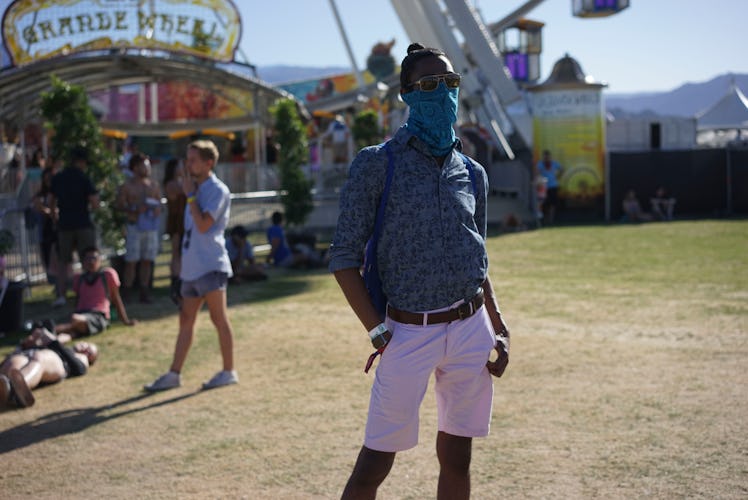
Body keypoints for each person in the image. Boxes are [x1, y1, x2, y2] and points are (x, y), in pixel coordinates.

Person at [328, 43, 510, 499]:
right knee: (374, 464)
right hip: (407, 330)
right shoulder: (377, 163)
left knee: (458, 456)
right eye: (430, 84)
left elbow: (478, 255)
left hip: (471, 329)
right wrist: (376, 330)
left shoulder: (472, 171)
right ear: (407, 94)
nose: (443, 92)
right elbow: (343, 257)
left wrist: (497, 324)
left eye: (450, 83)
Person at [144, 140, 238, 392]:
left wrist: (190, 196)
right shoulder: (192, 189)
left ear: (209, 163)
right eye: (188, 159)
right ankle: (174, 374)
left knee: (219, 319)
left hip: (211, 264)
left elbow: (204, 224)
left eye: (194, 159)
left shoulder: (217, 190)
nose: (188, 164)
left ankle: (229, 371)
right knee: (186, 320)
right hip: (192, 266)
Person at [49, 146, 100, 308]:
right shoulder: (84, 178)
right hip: (83, 224)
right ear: (82, 161)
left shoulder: (59, 178)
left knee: (63, 262)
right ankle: (88, 292)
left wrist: (54, 217)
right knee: (88, 259)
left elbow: (51, 201)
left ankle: (62, 295)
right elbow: (95, 202)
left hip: (64, 224)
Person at [0, 326, 98, 409]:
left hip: (54, 362)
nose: (86, 349)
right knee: (12, 364)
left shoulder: (80, 357)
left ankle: (14, 390)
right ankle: (8, 387)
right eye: (87, 345)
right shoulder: (64, 345)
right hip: (27, 354)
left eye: (90, 352)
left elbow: (79, 368)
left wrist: (53, 341)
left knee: (39, 358)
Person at [53, 246, 136, 341]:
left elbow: (116, 298)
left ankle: (52, 330)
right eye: (88, 259)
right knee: (72, 332)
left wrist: (125, 321)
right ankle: (54, 340)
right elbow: (78, 300)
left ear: (100, 260)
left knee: (75, 320)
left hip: (98, 316)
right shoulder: (78, 279)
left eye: (94, 258)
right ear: (83, 261)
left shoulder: (108, 275)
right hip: (81, 314)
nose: (91, 261)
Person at [116, 153, 162, 303]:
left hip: (150, 227)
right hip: (134, 226)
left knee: (147, 260)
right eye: (144, 165)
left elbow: (159, 203)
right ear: (135, 167)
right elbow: (120, 206)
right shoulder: (127, 186)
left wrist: (156, 209)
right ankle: (127, 292)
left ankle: (144, 291)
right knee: (131, 261)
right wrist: (134, 209)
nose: (147, 168)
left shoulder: (153, 185)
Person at [32, 164, 62, 294]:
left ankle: (62, 284)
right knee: (47, 256)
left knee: (59, 257)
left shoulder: (61, 192)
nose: (49, 180)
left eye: (52, 177)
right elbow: (38, 206)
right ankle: (54, 283)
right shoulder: (41, 194)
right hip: (46, 230)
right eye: (47, 177)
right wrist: (51, 212)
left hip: (59, 230)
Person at [163, 157, 187, 305]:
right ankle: (175, 283)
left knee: (182, 253)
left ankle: (181, 282)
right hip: (176, 222)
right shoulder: (171, 184)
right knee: (176, 253)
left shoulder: (181, 182)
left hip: (184, 221)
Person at [535, 150, 563, 224]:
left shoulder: (554, 163)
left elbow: (561, 169)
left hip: (553, 186)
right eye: (545, 157)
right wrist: (539, 181)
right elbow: (537, 173)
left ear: (550, 157)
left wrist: (558, 176)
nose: (546, 158)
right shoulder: (540, 164)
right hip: (544, 187)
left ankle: (551, 220)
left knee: (553, 204)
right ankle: (544, 219)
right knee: (544, 204)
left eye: (547, 157)